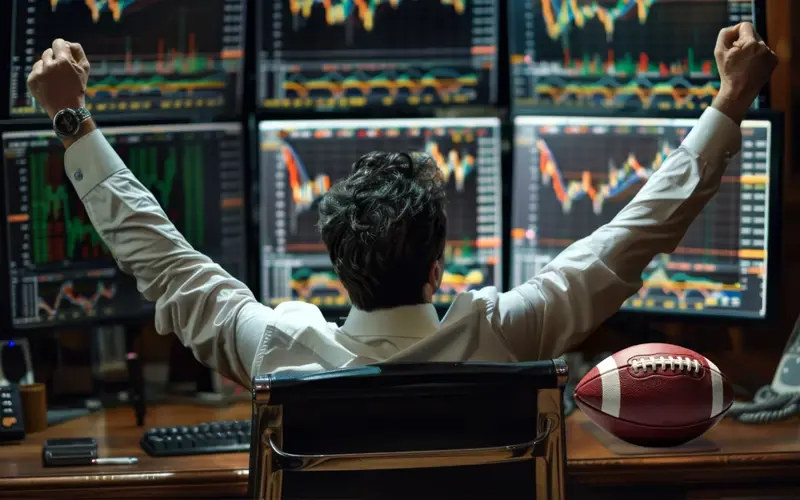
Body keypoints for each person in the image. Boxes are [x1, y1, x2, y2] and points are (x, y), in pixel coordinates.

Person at [26, 23, 777, 389]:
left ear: (335, 263)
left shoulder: (277, 347)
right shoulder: (506, 335)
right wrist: (731, 100)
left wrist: (73, 120)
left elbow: (159, 258)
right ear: (438, 265)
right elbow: (631, 239)